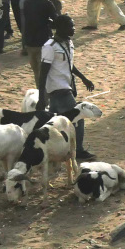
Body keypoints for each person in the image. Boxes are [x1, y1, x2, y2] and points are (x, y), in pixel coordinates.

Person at [36, 15, 97, 161]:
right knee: (78, 119)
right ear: (61, 28)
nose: (74, 28)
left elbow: (69, 64)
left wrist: (83, 78)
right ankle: (79, 150)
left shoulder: (67, 42)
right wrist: (41, 98)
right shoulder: (50, 47)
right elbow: (43, 73)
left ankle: (50, 151)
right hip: (59, 89)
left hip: (66, 87)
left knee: (54, 122)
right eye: (70, 26)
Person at [22, 0, 58, 79]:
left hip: (29, 41)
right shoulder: (47, 3)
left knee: (36, 72)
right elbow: (56, 21)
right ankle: (45, 93)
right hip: (43, 40)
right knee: (45, 73)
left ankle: (40, 93)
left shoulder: (27, 2)